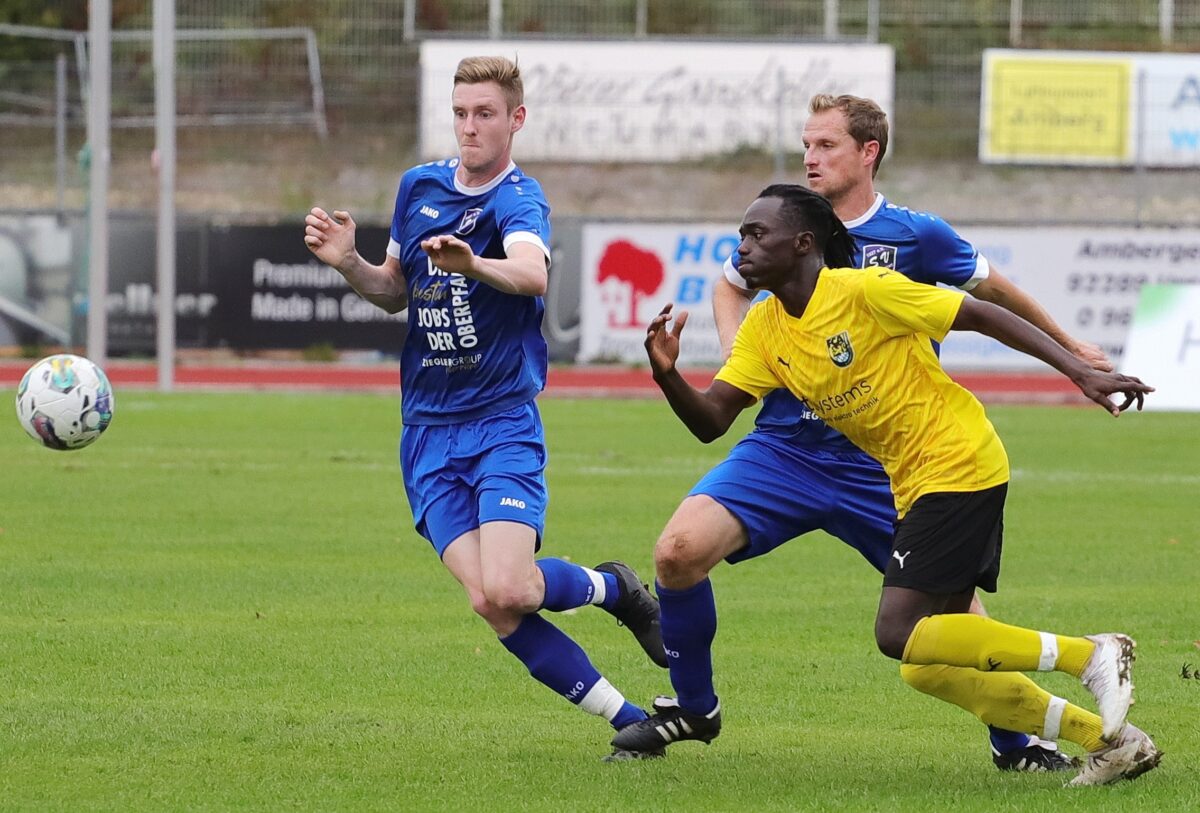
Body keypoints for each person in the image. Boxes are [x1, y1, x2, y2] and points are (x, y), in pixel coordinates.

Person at [614, 93, 1108, 772]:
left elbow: (989, 296)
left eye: (825, 146)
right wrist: (742, 359)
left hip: (882, 457)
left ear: (866, 152)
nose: (811, 157)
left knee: (949, 620)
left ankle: (1021, 737)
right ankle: (694, 708)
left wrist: (1072, 346)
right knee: (677, 550)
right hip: (785, 446)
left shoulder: (911, 238)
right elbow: (730, 292)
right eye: (807, 145)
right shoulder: (776, 226)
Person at [302, 55, 666, 760]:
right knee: (494, 601)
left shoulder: (518, 201)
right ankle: (628, 718)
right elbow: (393, 291)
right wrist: (349, 261)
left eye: (486, 114)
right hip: (427, 435)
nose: (470, 127)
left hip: (501, 421)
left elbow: (532, 273)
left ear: (515, 120)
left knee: (511, 583)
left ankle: (612, 589)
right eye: (462, 113)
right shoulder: (419, 187)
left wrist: (476, 265)